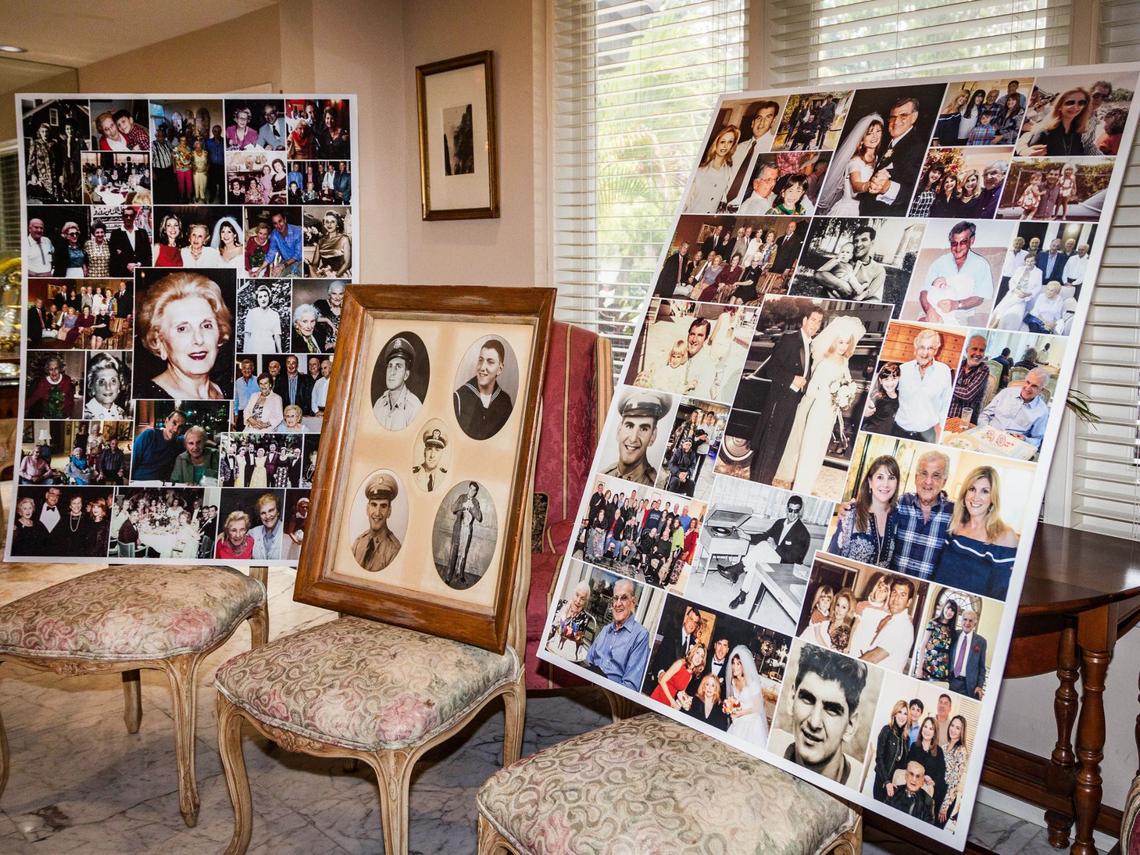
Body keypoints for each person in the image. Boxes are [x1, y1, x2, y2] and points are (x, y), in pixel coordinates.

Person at [774, 315, 865, 492]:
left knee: (820, 449)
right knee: (810, 448)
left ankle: (808, 483)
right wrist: (832, 393)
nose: (843, 346)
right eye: (840, 342)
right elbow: (811, 390)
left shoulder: (844, 361)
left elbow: (847, 382)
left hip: (830, 413)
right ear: (834, 342)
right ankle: (801, 485)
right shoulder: (825, 363)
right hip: (819, 410)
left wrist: (845, 395)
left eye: (847, 343)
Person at [750, 307, 824, 484]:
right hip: (779, 401)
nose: (815, 325)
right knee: (769, 448)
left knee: (778, 448)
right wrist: (793, 379)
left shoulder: (810, 344)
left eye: (819, 321)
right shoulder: (790, 339)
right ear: (804, 320)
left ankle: (766, 482)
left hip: (792, 403)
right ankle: (759, 481)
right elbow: (772, 369)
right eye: (813, 320)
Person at [775, 645, 868, 786]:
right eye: (807, 699)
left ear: (850, 725)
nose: (814, 722)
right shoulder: (770, 745)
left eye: (832, 709)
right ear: (791, 699)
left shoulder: (862, 785)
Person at [136, 272, 231, 400]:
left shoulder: (229, 391)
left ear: (220, 333)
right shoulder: (145, 396)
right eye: (182, 329)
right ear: (159, 341)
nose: (199, 339)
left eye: (207, 326)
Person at [932, 465, 1018, 599]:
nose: (976, 497)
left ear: (993, 497)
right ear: (965, 493)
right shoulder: (953, 526)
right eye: (972, 489)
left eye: (985, 491)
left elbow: (1001, 594)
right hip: (940, 596)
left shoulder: (1006, 536)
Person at [859, 97, 927, 217]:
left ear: (914, 117)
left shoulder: (918, 148)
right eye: (893, 117)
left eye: (903, 115)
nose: (896, 122)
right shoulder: (885, 143)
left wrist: (887, 187)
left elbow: (915, 191)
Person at [915, 222, 992, 326]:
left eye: (963, 242)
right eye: (954, 243)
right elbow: (924, 292)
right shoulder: (940, 262)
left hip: (959, 314)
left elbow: (979, 298)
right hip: (933, 309)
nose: (958, 248)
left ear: (972, 240)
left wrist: (956, 304)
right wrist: (929, 310)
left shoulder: (981, 264)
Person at [829, 455, 899, 568]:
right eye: (880, 477)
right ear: (870, 482)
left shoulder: (898, 517)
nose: (886, 484)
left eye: (891, 478)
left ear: (897, 483)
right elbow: (833, 557)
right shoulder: (850, 514)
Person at [584, 579, 650, 690]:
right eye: (615, 598)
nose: (618, 604)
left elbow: (630, 687)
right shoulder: (605, 629)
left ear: (633, 602)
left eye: (624, 598)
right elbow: (588, 660)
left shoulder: (640, 635)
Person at [893, 328, 951, 443]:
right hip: (899, 430)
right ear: (915, 348)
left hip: (928, 434)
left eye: (930, 348)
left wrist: (941, 430)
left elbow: (946, 403)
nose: (925, 353)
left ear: (936, 350)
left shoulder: (944, 371)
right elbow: (888, 393)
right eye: (922, 347)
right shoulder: (902, 369)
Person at [818, 113, 882, 216]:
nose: (875, 136)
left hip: (865, 209)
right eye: (869, 133)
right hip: (848, 210)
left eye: (878, 131)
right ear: (861, 139)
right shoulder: (855, 161)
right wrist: (871, 185)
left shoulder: (879, 158)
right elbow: (856, 186)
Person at [602, 391, 671, 485]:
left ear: (653, 436)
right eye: (629, 426)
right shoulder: (604, 474)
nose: (633, 438)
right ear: (619, 431)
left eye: (643, 429)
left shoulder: (657, 484)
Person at [722, 101, 780, 212]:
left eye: (767, 118)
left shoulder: (774, 149)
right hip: (722, 206)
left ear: (773, 122)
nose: (761, 123)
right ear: (752, 123)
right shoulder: (737, 148)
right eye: (759, 118)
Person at [977, 367, 1050, 452]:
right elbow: (985, 415)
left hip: (1012, 447)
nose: (1028, 388)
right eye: (1027, 382)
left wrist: (1025, 439)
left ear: (1041, 390)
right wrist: (986, 429)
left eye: (1034, 386)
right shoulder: (1006, 393)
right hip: (987, 436)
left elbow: (1037, 440)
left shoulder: (1042, 411)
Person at [453, 338, 514, 440]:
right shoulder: (459, 398)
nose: (482, 367)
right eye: (480, 360)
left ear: (499, 369)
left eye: (490, 362)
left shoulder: (505, 402)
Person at [856, 578, 916, 672]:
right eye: (894, 592)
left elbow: (873, 657)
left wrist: (852, 664)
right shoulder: (894, 621)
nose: (896, 598)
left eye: (902, 595)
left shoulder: (901, 625)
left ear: (909, 602)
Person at [815, 225, 885, 301]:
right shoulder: (843, 258)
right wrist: (841, 286)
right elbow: (818, 275)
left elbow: (874, 300)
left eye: (864, 240)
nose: (858, 245)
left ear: (872, 243)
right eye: (856, 241)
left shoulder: (879, 270)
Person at [1019, 87, 1094, 157]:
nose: (1076, 107)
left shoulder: (1078, 134)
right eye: (1070, 102)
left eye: (1081, 103)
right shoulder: (1045, 133)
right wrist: (1022, 150)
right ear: (1059, 106)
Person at [684, 125, 739, 213]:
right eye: (722, 141)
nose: (725, 146)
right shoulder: (699, 170)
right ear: (716, 142)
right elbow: (685, 202)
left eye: (730, 142)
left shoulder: (729, 172)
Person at [374, 336, 423, 431]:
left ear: (406, 375)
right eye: (390, 366)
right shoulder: (378, 404)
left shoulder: (415, 408)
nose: (392, 372)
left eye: (398, 366)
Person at [723, 645, 769, 746]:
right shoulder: (733, 681)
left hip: (752, 722)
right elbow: (735, 701)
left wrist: (740, 713)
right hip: (738, 721)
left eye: (738, 664)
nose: (735, 667)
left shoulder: (752, 683)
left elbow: (757, 707)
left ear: (744, 665)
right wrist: (729, 706)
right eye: (733, 663)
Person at [906, 716, 947, 816]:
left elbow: (941, 774)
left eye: (931, 728)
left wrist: (934, 782)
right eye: (925, 727)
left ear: (935, 733)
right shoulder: (915, 746)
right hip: (912, 789)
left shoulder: (939, 751)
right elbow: (908, 767)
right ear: (921, 729)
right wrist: (923, 777)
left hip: (928, 792)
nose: (927, 731)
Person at [446, 481, 484, 585]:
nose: (472, 491)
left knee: (463, 553)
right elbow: (453, 508)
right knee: (453, 552)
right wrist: (463, 505)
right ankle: (449, 576)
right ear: (468, 488)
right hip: (458, 529)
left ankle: (460, 574)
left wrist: (472, 507)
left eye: (474, 490)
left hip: (467, 531)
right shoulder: (462, 497)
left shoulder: (476, 502)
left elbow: (479, 517)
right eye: (470, 489)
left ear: (476, 492)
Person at [131, 410, 186, 482]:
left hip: (161, 485)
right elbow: (133, 460)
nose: (176, 429)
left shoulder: (178, 442)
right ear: (166, 421)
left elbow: (195, 436)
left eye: (180, 427)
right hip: (138, 481)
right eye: (174, 423)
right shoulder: (149, 435)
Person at [873, 700, 911, 802]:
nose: (902, 716)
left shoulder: (906, 739)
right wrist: (887, 782)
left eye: (905, 713)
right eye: (900, 712)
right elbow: (879, 759)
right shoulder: (886, 730)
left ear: (908, 718)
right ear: (894, 714)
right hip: (882, 781)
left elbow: (904, 764)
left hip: (896, 785)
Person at [946, 609, 988, 699]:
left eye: (970, 620)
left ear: (975, 624)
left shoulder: (981, 642)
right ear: (961, 621)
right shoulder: (954, 635)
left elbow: (982, 667)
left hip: (968, 686)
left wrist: (979, 686)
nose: (967, 623)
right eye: (965, 619)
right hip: (949, 680)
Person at [651, 642, 705, 710]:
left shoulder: (690, 674)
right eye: (697, 653)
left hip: (669, 702)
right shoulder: (680, 663)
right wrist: (672, 701)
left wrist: (686, 701)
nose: (699, 658)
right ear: (693, 652)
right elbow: (662, 681)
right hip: (659, 696)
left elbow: (680, 692)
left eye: (702, 656)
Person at [947, 335, 989, 423]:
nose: (978, 353)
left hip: (965, 421)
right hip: (947, 414)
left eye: (981, 350)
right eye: (974, 349)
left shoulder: (983, 369)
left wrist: (949, 385)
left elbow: (967, 394)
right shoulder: (960, 364)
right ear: (967, 350)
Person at [918, 598, 959, 683]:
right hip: (928, 664)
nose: (949, 612)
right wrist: (919, 668)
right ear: (944, 608)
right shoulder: (933, 623)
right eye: (948, 608)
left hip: (943, 668)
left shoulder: (952, 630)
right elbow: (923, 645)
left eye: (953, 610)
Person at [109, 205, 152, 275]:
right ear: (122, 217)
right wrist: (126, 265)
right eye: (126, 216)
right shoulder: (116, 234)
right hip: (122, 273)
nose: (128, 218)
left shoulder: (142, 233)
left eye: (131, 215)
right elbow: (114, 256)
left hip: (140, 272)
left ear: (134, 217)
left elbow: (148, 255)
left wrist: (139, 265)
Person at [242, 284, 283, 353]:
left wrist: (280, 352)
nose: (263, 299)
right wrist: (244, 352)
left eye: (265, 296)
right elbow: (247, 335)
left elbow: (277, 336)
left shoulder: (274, 315)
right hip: (253, 349)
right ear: (257, 299)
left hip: (269, 349)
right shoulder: (251, 313)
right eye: (260, 297)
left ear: (269, 297)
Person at [311, 211, 351, 277]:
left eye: (332, 222)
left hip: (340, 274)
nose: (329, 224)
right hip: (324, 274)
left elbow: (347, 263)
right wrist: (318, 273)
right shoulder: (320, 241)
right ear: (324, 224)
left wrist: (336, 275)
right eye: (327, 222)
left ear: (337, 224)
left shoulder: (344, 239)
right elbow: (315, 263)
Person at [250, 492, 285, 561]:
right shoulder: (253, 532)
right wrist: (225, 534)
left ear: (278, 512)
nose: (267, 516)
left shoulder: (287, 532)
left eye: (271, 510)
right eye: (263, 513)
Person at [267, 211, 303, 276]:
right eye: (275, 223)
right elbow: (270, 254)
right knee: (275, 275)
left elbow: (297, 255)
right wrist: (259, 270)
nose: (278, 226)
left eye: (280, 221)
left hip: (300, 262)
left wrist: (283, 266)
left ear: (285, 220)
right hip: (285, 262)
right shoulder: (274, 234)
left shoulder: (297, 231)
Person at [413, 427, 448, 492]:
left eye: (437, 450)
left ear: (441, 454)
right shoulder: (413, 474)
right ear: (424, 452)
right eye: (429, 449)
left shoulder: (445, 476)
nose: (432, 455)